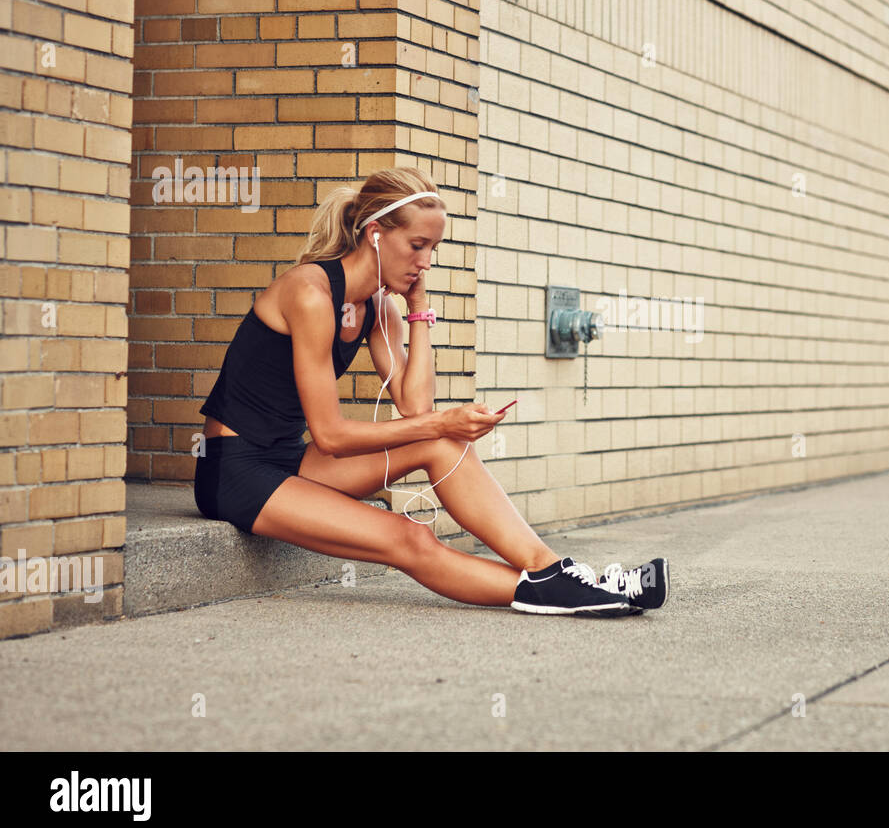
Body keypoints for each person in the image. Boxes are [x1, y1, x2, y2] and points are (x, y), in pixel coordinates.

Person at [193, 166, 668, 616]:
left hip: (292, 461)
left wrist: (416, 308)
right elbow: (333, 436)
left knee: (442, 441)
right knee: (411, 538)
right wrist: (441, 421)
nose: (424, 262)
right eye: (417, 245)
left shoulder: (380, 308)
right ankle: (556, 593)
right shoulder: (311, 294)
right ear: (375, 235)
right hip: (237, 471)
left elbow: (414, 407)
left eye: (432, 250)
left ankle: (552, 570)